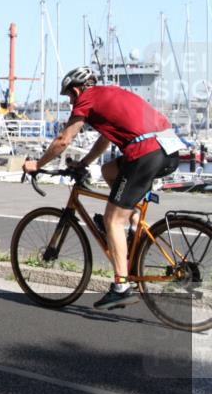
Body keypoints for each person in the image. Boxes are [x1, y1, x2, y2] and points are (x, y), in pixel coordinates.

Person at [22, 66, 183, 310]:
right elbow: (105, 138)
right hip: (168, 150)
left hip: (145, 153)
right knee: (109, 171)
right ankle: (131, 227)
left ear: (76, 90)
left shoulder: (85, 99)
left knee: (111, 220)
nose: (70, 102)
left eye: (69, 97)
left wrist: (37, 164)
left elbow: (64, 140)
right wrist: (85, 163)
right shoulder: (109, 94)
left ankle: (121, 286)